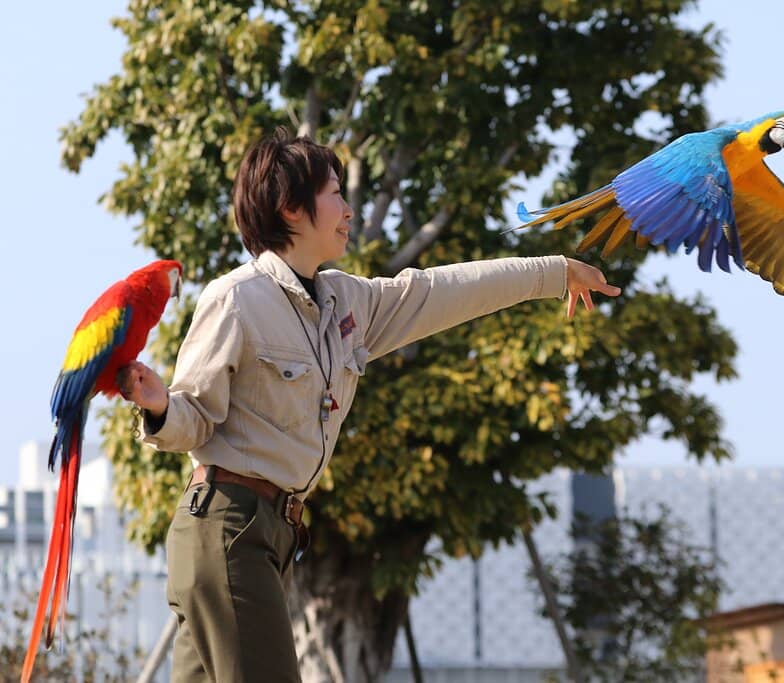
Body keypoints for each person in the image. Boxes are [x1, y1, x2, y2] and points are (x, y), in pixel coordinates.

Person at [118, 129, 620, 682]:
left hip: (269, 535)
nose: (348, 209)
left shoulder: (348, 301)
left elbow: (442, 290)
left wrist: (552, 272)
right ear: (291, 208)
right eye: (335, 193)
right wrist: (160, 404)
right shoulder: (237, 298)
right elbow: (193, 420)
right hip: (227, 529)